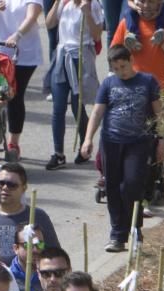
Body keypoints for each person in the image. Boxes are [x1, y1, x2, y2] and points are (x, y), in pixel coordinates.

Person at [80, 45, 164, 253]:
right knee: (112, 188)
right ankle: (117, 235)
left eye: (124, 66)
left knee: (132, 185)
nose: (121, 71)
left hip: (138, 142)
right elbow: (97, 112)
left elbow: (159, 112)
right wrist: (88, 139)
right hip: (111, 142)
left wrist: (163, 139)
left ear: (131, 61)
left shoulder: (147, 82)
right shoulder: (109, 84)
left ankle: (135, 230)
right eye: (116, 68)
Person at [0, 0, 44, 160]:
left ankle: (13, 143)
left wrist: (17, 34)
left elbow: (32, 16)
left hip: (22, 53)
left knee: (14, 96)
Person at [44, 0, 102, 170]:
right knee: (58, 106)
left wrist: (87, 13)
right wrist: (56, 4)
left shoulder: (93, 5)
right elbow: (49, 23)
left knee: (78, 106)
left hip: (81, 56)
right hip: (63, 55)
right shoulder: (64, 3)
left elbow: (97, 35)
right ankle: (58, 153)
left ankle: (85, 147)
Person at [0, 163, 61, 265]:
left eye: (11, 185)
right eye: (1, 183)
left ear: (23, 188)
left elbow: (54, 255)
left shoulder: (38, 216)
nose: (5, 188)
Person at [111, 0, 164, 93]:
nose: (146, 6)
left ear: (159, 2)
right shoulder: (126, 23)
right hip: (134, 92)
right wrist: (126, 50)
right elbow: (113, 58)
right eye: (142, 1)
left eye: (151, 2)